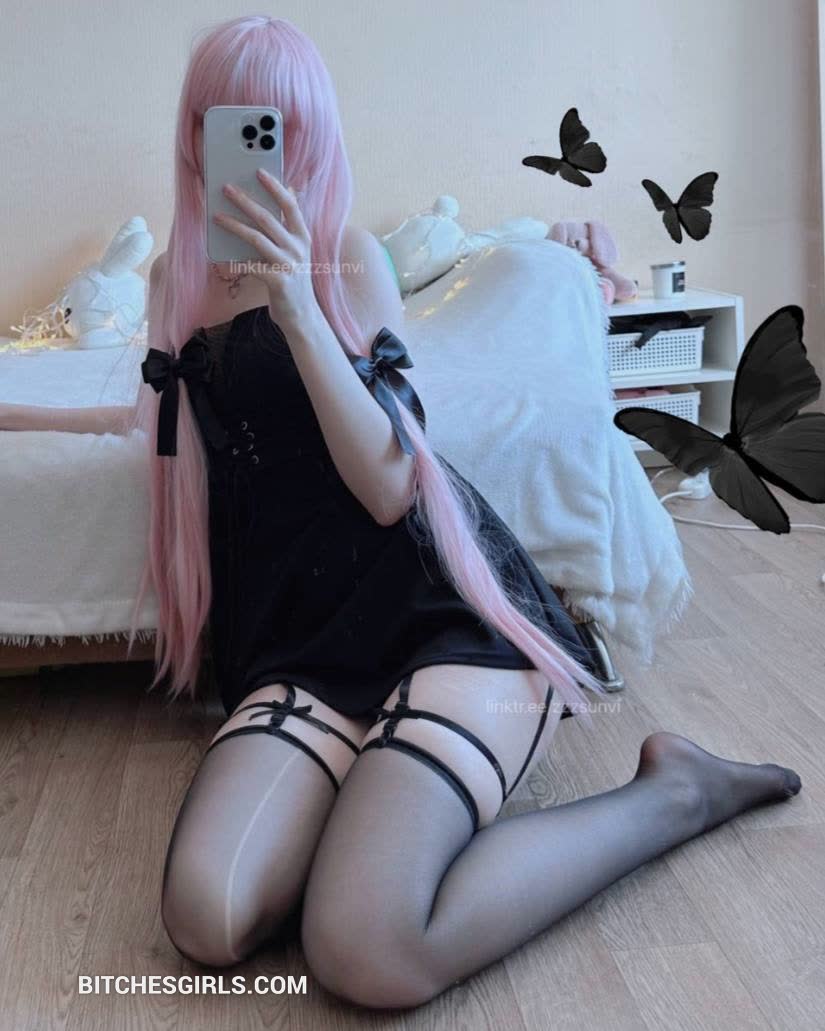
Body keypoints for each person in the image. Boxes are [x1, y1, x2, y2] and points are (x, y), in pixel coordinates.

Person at [1, 14, 802, 1013]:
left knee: (367, 948)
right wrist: (16, 408)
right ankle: (368, 795)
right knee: (207, 915)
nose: (254, 152)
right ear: (195, 133)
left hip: (440, 617)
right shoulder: (176, 279)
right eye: (226, 123)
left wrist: (298, 309)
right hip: (297, 644)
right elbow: (152, 420)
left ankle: (674, 792)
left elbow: (389, 488)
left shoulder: (348, 261)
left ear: (310, 134)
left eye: (275, 128)